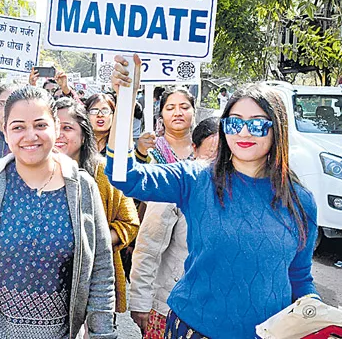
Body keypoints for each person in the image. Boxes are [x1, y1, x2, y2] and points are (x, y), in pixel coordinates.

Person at [107, 55, 318, 338]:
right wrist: (125, 101)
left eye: (257, 124)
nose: (244, 132)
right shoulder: (195, 179)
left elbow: (300, 278)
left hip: (270, 334)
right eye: (234, 123)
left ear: (276, 129)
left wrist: (318, 316)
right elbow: (124, 176)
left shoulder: (300, 201)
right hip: (194, 329)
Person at [0, 86, 117, 338]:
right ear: (4, 131)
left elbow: (101, 271)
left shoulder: (82, 188)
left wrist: (102, 334)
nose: (30, 136)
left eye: (40, 125)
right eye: (18, 127)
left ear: (56, 127)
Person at [128, 117, 220, 338]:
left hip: (215, 312)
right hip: (168, 307)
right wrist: (140, 301)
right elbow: (148, 246)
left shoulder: (239, 191)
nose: (217, 163)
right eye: (211, 154)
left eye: (225, 156)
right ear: (194, 150)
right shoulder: (177, 185)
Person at [54, 97, 139, 313]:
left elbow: (129, 223)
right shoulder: (32, 171)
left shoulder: (103, 172)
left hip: (93, 284)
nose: (58, 134)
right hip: (48, 284)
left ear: (83, 135)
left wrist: (91, 243)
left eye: (67, 128)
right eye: (52, 126)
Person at [135, 87, 196, 165]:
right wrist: (141, 153)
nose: (177, 113)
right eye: (170, 108)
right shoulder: (150, 148)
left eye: (184, 107)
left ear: (194, 112)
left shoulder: (206, 148)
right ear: (161, 116)